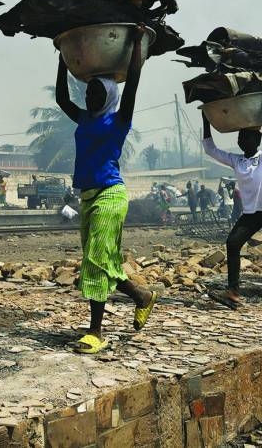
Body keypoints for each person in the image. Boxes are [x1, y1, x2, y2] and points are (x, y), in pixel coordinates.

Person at [55, 26, 157, 354]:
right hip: (88, 196)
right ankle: (142, 295)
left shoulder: (119, 120)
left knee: (96, 260)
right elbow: (61, 98)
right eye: (88, 92)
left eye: (96, 93)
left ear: (110, 94)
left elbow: (134, 82)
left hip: (111, 194)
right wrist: (62, 57)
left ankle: (96, 332)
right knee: (103, 259)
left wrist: (137, 44)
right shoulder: (85, 119)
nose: (89, 97)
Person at [202, 92, 262, 311]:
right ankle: (233, 292)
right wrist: (206, 120)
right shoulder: (237, 161)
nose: (242, 141)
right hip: (251, 215)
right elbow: (210, 149)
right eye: (240, 138)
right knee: (233, 243)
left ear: (257, 140)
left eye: (247, 137)